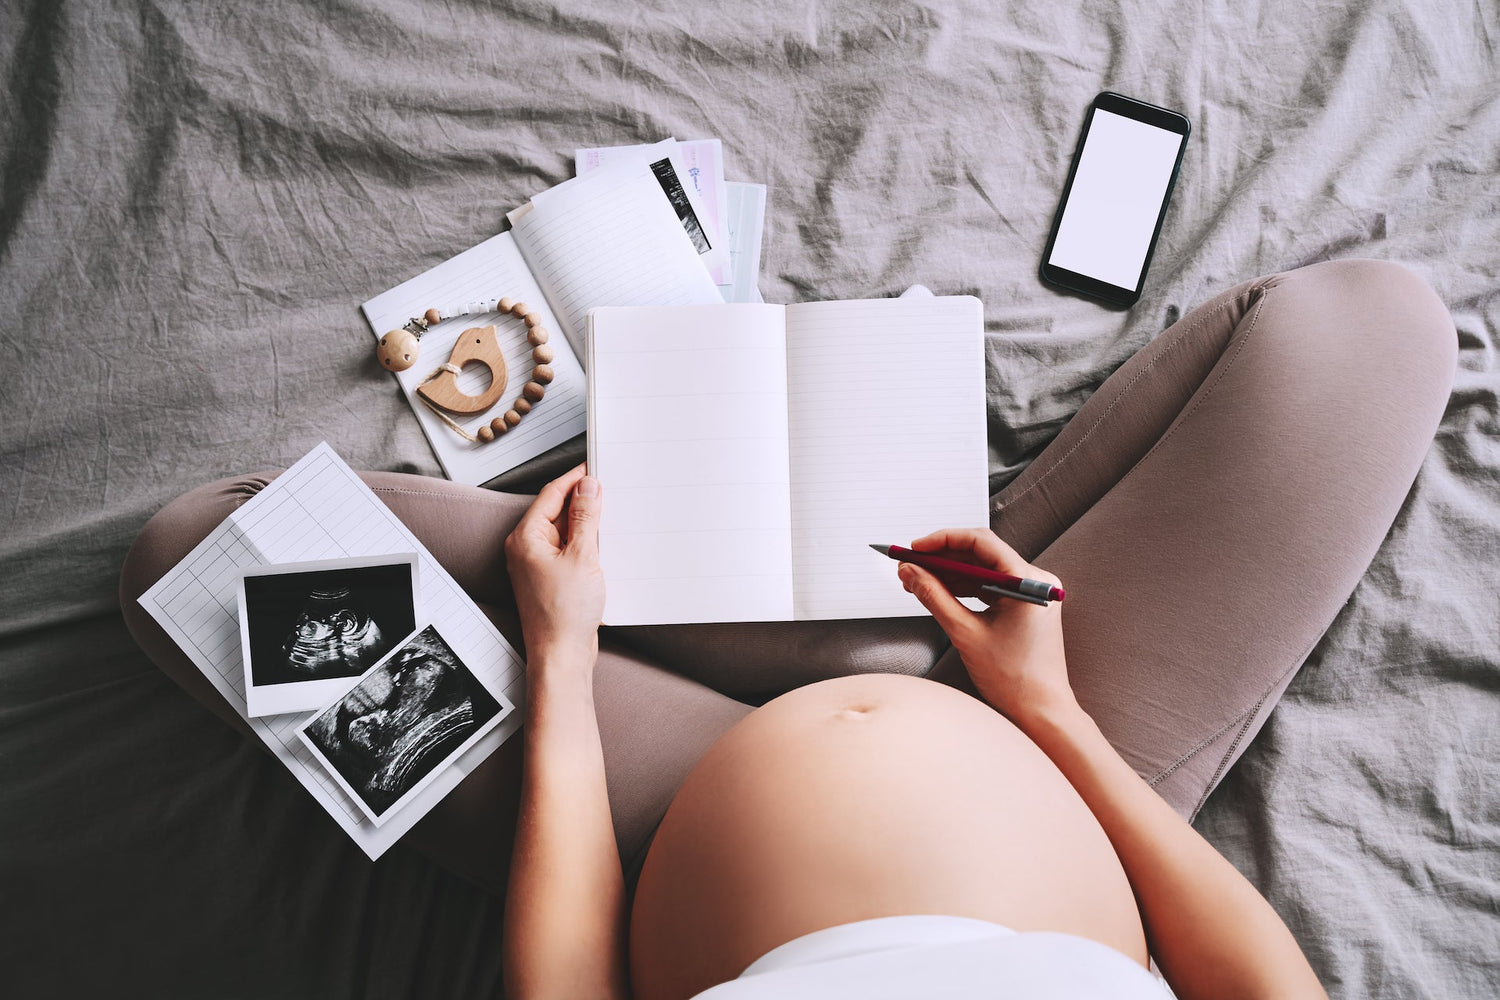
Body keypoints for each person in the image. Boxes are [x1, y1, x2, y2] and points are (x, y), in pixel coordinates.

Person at [120, 259, 1456, 999]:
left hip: (654, 814)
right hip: (1061, 760)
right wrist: (1045, 709)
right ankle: (903, 597)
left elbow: (569, 984)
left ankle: (840, 616)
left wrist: (562, 661)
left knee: (220, 560)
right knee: (1373, 326)